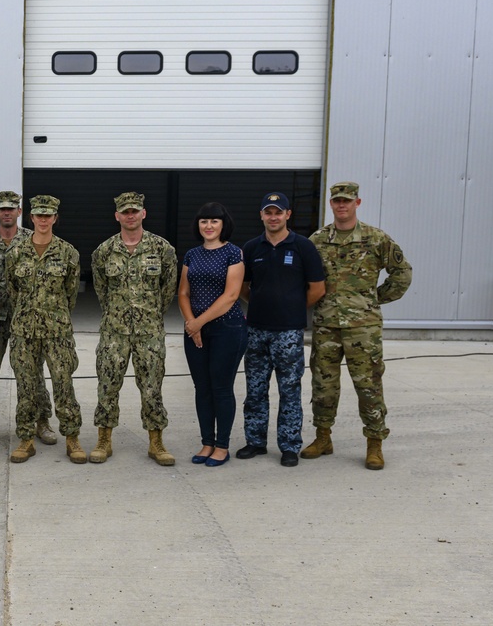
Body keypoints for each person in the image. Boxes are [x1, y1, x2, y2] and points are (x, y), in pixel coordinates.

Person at [303, 181, 412, 470]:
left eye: (347, 201)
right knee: (323, 384)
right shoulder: (317, 240)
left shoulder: (376, 239)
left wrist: (374, 299)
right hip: (326, 325)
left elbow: (402, 272)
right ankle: (323, 437)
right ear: (331, 204)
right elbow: (305, 277)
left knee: (368, 386)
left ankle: (374, 444)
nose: (342, 205)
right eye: (337, 201)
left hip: (363, 328)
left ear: (357, 203)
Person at [237, 192, 325, 467]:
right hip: (257, 331)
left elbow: (317, 288)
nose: (273, 217)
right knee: (255, 390)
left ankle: (289, 445)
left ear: (288, 215)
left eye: (278, 212)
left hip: (288, 332)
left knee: (289, 390)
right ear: (261, 215)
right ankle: (255, 441)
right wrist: (263, 304)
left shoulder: (303, 247)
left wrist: (294, 308)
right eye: (268, 212)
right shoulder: (252, 248)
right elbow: (242, 286)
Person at [90, 192, 178, 466]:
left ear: (143, 213)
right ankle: (104, 440)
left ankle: (156, 441)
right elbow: (101, 290)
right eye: (125, 211)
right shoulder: (104, 251)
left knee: (152, 388)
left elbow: (168, 290)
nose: (130, 215)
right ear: (117, 216)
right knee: (107, 387)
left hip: (149, 332)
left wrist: (148, 315)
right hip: (113, 332)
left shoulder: (163, 249)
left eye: (134, 211)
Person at [6, 195, 86, 464]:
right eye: (38, 215)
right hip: (24, 332)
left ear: (54, 218)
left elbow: (70, 294)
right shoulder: (15, 252)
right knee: (26, 387)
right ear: (31, 217)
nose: (43, 219)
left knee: (64, 385)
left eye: (48, 215)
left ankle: (72, 437)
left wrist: (54, 315)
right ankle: (26, 438)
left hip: (57, 332)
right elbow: (12, 291)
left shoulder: (68, 252)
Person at [0, 190, 56, 443]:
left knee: (32, 371)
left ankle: (42, 419)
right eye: (2, 209)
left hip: (27, 317)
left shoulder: (31, 240)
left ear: (19, 212)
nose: (7, 212)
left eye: (11, 208)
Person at [179, 201, 247, 467]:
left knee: (220, 387)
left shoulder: (233, 254)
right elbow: (183, 293)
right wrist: (191, 323)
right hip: (194, 328)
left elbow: (230, 296)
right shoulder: (191, 255)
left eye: (214, 221)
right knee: (202, 388)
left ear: (223, 224)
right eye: (204, 221)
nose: (209, 226)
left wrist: (199, 324)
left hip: (227, 329)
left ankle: (222, 446)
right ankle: (207, 442)